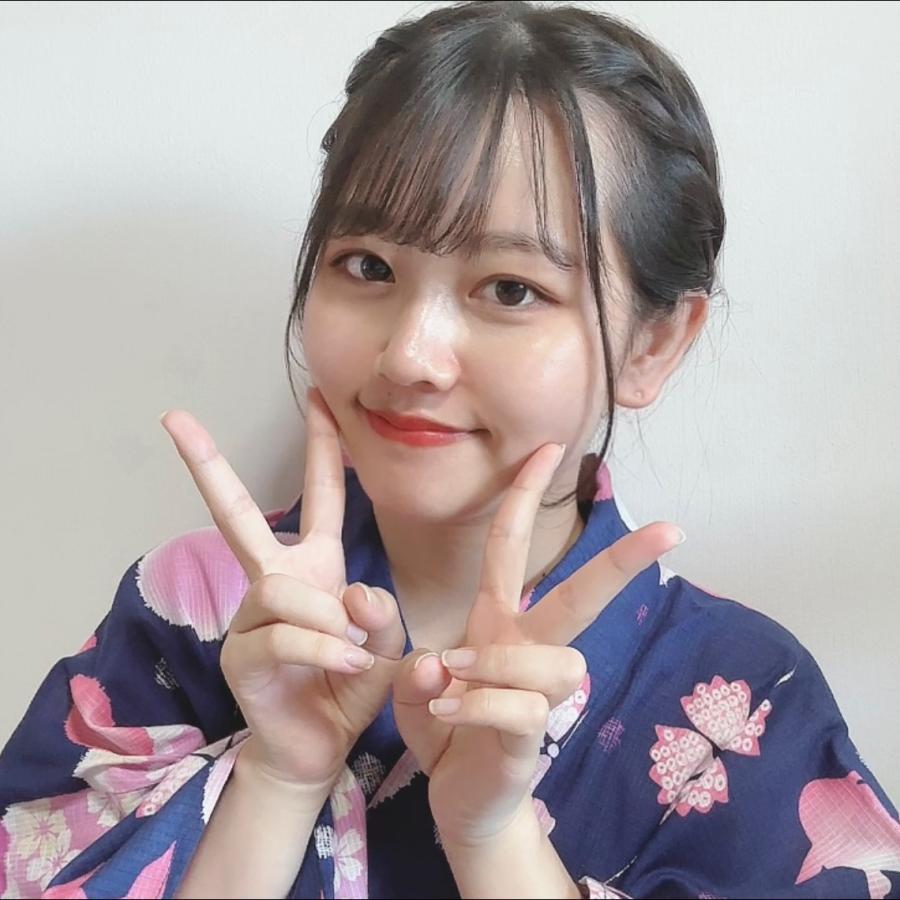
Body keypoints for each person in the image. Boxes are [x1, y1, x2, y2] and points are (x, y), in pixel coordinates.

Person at [2, 1, 898, 897]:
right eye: (368, 266)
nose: (409, 357)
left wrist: (493, 836)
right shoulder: (193, 607)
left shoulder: (744, 696)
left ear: (652, 344)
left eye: (510, 289)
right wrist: (277, 780)